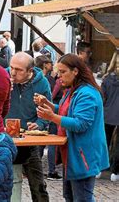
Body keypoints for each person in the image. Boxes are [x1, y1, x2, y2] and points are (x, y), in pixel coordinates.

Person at [36, 53, 109, 201]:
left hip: (83, 154)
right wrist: (49, 105)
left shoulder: (87, 93)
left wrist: (51, 117)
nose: (59, 76)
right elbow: (67, 111)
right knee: (69, 196)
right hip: (72, 153)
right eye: (59, 72)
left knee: (81, 198)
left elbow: (80, 124)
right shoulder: (74, 90)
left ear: (75, 71)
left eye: (63, 72)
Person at [8, 52, 51, 201]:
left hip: (28, 140)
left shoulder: (41, 83)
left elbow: (47, 111)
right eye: (11, 67)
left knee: (38, 185)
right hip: (5, 139)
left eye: (18, 70)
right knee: (1, 183)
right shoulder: (5, 78)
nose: (13, 72)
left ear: (30, 71)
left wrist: (39, 124)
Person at [101, 52, 119, 182]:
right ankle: (116, 171)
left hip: (107, 114)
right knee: (118, 145)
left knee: (103, 142)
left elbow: (103, 98)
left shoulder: (106, 79)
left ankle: (100, 168)